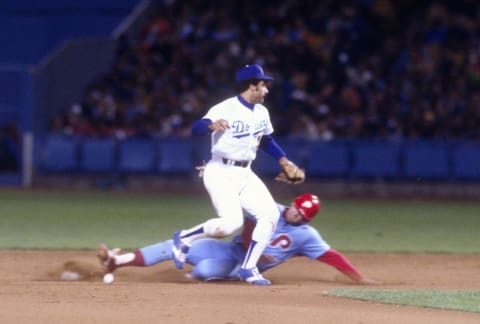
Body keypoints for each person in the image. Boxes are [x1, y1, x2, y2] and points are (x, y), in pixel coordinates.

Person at [170, 64, 305, 286]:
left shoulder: (262, 112)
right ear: (252, 86)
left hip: (245, 173)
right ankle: (185, 237)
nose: (267, 90)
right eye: (263, 85)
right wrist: (211, 125)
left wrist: (283, 160)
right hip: (220, 171)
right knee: (231, 224)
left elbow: (266, 140)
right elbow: (197, 127)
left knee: (270, 215)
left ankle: (249, 268)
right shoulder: (226, 107)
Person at [97, 193, 378, 285]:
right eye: (294, 207)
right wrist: (249, 244)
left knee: (203, 270)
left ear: (307, 219)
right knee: (177, 245)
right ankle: (116, 261)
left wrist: (358, 277)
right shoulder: (273, 210)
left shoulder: (306, 236)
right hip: (229, 250)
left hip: (238, 267)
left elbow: (331, 256)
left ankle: (202, 276)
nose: (293, 213)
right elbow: (247, 220)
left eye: (300, 214)